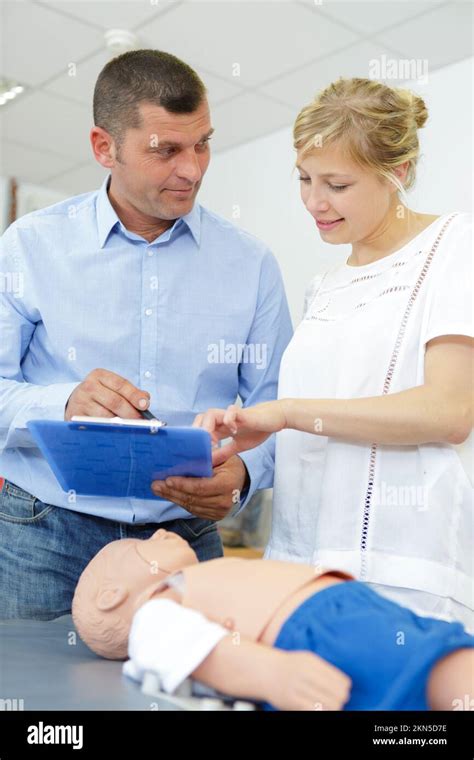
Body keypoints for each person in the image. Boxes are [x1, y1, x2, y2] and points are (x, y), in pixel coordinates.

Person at [0, 49, 292, 620]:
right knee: (35, 698)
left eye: (203, 143)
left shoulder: (252, 264)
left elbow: (277, 409)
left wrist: (245, 474)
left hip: (184, 541)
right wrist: (62, 402)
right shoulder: (28, 247)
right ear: (104, 148)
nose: (194, 169)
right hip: (42, 535)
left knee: (186, 702)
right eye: (167, 150)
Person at [189, 77, 473, 632]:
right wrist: (251, 431)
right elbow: (324, 418)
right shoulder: (325, 285)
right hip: (304, 567)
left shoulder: (455, 248)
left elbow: (450, 411)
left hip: (405, 570)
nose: (313, 202)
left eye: (337, 184)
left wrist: (290, 411)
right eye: (304, 179)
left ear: (399, 173)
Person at [71, 528, 474, 711]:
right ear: (112, 597)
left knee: (440, 659)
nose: (160, 532)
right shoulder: (156, 612)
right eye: (143, 545)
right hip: (318, 633)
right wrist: (272, 674)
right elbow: (189, 648)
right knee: (437, 668)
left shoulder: (194, 585)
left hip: (348, 609)